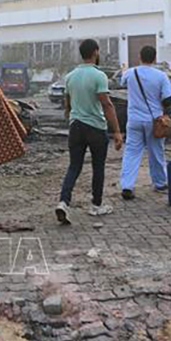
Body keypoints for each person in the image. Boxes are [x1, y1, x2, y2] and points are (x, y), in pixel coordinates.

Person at [56, 39, 123, 224]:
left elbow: (67, 105)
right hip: (95, 127)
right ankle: (96, 205)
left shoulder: (70, 76)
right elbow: (106, 104)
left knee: (74, 166)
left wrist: (72, 118)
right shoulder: (98, 76)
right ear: (95, 52)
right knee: (98, 166)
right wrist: (117, 131)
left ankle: (63, 201)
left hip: (76, 126)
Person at [119, 46, 171, 199]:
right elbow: (168, 99)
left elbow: (121, 82)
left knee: (131, 152)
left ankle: (127, 186)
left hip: (134, 120)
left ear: (140, 56)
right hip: (154, 121)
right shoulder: (161, 76)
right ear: (155, 58)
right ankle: (160, 183)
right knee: (156, 152)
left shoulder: (130, 73)